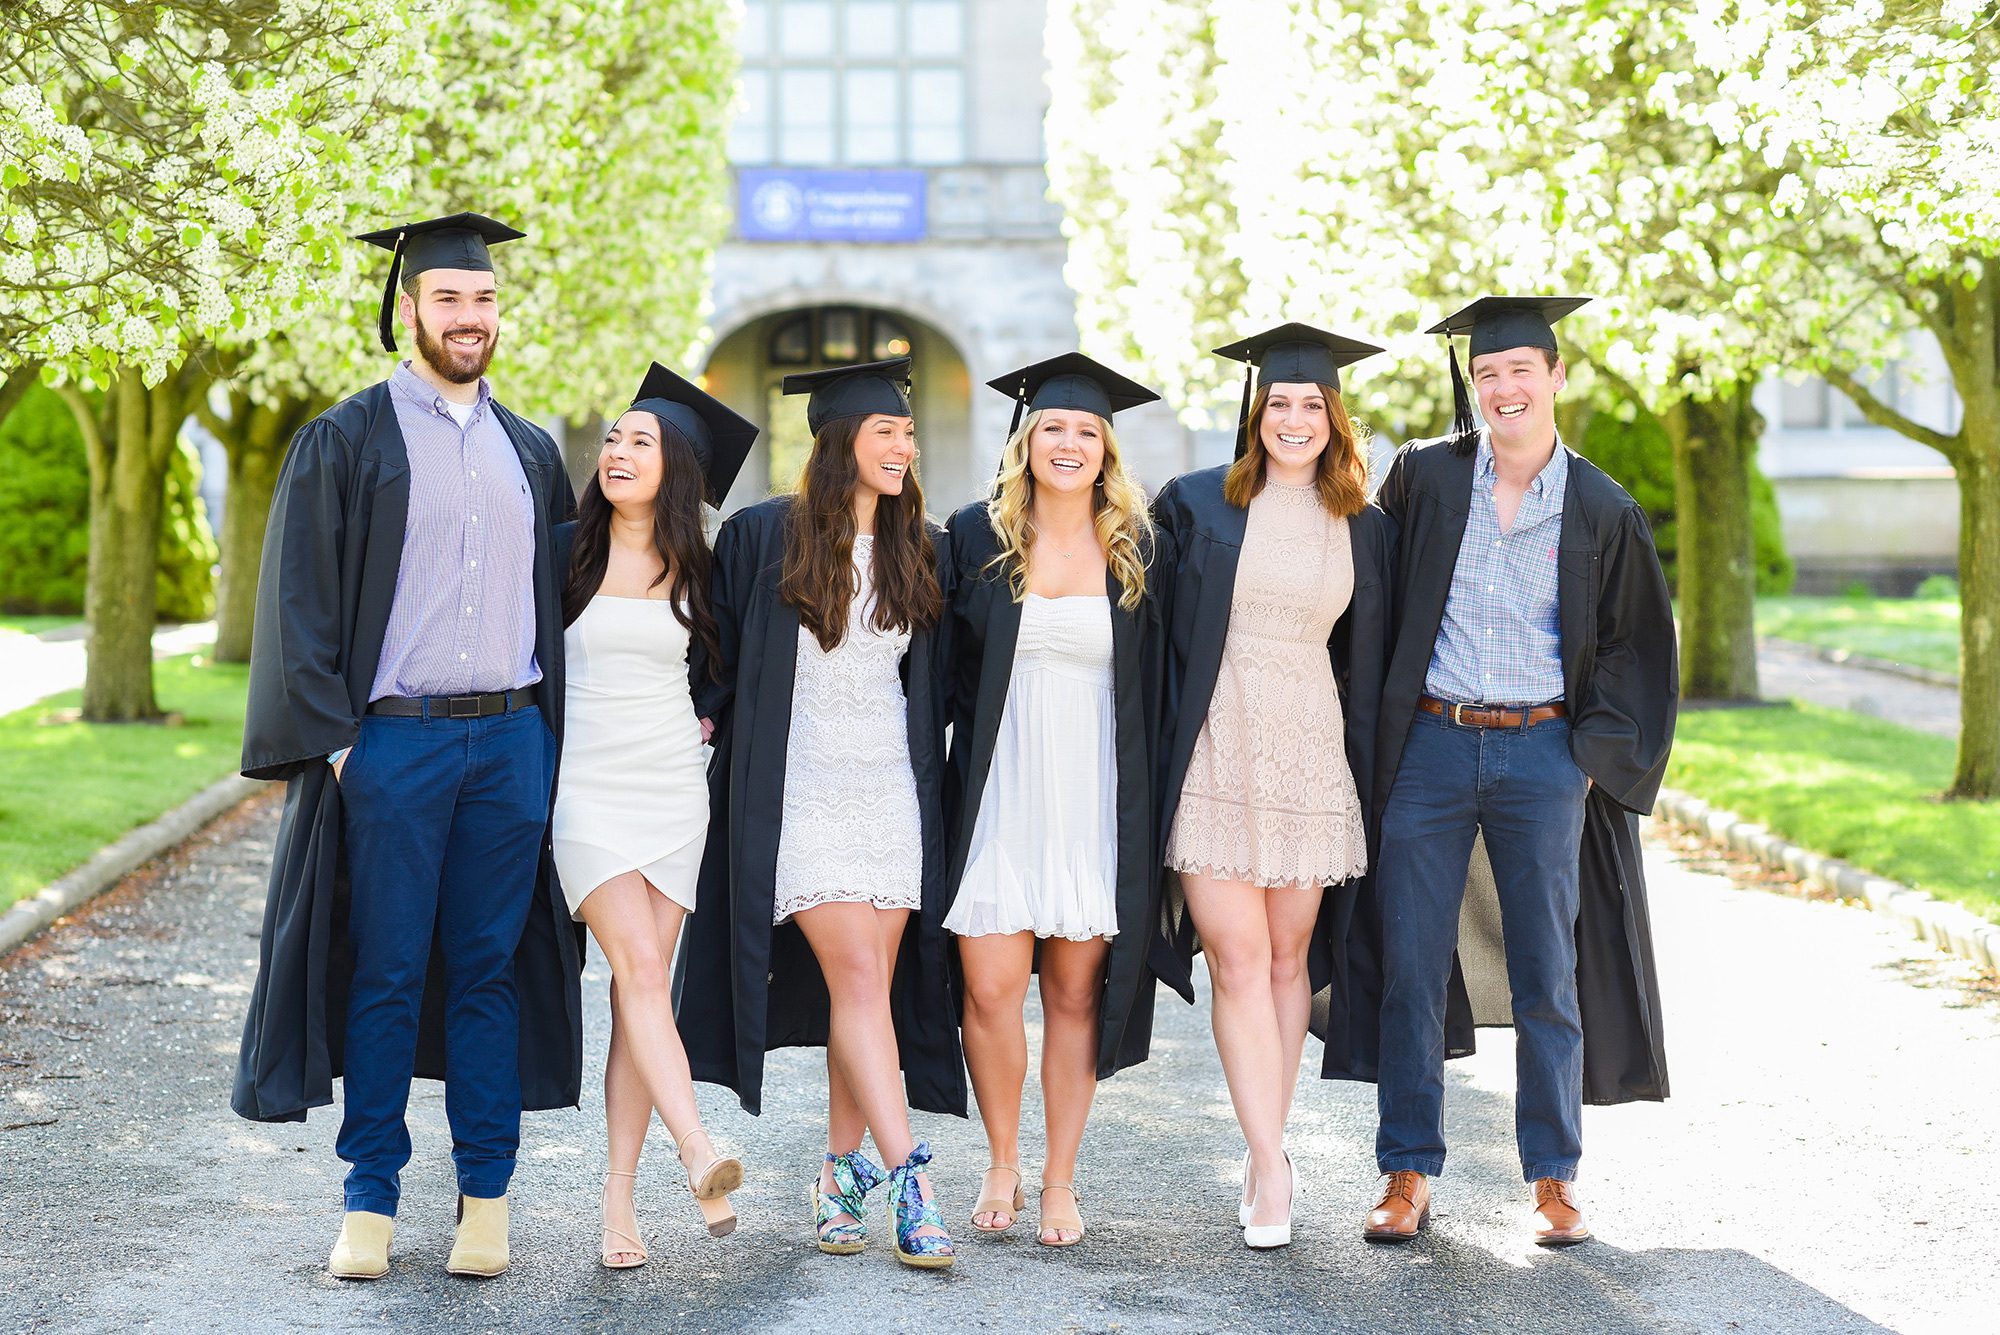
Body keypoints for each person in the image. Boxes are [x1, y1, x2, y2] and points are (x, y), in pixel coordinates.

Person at [232, 213, 581, 1281]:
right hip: (393, 749)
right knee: (383, 973)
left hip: (510, 742)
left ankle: (485, 1202)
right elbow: (297, 603)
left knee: (485, 973)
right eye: (447, 299)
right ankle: (368, 1204)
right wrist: (342, 750)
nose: (469, 317)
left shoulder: (532, 451)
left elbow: (568, 607)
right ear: (408, 310)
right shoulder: (348, 439)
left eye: (481, 300)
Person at [1362, 295, 1677, 1248]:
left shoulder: (1599, 506)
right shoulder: (1422, 476)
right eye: (1487, 373)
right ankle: (1407, 1169)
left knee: (1548, 970)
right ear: (1475, 383)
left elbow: (1635, 644)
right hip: (1432, 744)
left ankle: (1553, 1177)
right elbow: (1368, 591)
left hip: (1542, 750)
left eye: (1520, 372)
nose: (1503, 388)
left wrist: (1585, 761)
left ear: (1555, 378)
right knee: (1412, 964)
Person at [673, 357, 964, 1270]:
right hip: (799, 789)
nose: (904, 448)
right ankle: (909, 1175)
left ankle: (837, 1182)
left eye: (909, 435)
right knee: (859, 985)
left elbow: (936, 681)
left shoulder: (924, 544)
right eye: (888, 433)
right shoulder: (765, 536)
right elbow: (709, 648)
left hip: (888, 786)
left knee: (863, 994)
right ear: (841, 442)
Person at [1152, 323, 1397, 1249]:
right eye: (1279, 403)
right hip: (1217, 745)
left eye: (1312, 405)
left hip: (1307, 750)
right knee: (1239, 956)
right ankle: (1271, 1163)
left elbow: (1377, 655)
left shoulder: (1365, 524)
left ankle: (1268, 1150)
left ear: (1335, 419)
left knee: (1290, 959)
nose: (1295, 419)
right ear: (1255, 413)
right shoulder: (1197, 506)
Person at [941, 354, 1174, 1248]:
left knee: (1075, 994)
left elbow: (1160, 686)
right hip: (1000, 791)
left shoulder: (1139, 548)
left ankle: (1059, 1178)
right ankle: (1002, 1158)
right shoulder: (977, 536)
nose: (1069, 443)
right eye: (1053, 429)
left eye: (1086, 431)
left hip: (1092, 797)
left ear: (1107, 448)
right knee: (992, 986)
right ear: (1026, 440)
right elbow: (945, 675)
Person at [551, 363, 757, 1268]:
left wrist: (710, 719)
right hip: (585, 787)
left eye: (642, 440)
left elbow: (725, 675)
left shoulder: (703, 571)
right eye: (614, 437)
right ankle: (698, 1151)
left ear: (678, 468)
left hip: (674, 785)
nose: (618, 450)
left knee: (641, 989)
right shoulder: (561, 552)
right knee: (637, 966)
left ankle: (618, 1204)